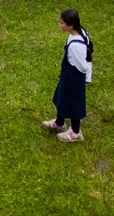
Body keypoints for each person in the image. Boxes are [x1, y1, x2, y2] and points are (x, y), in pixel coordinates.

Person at [41, 8, 92, 143]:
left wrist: (87, 76)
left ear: (71, 25)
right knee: (61, 98)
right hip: (68, 75)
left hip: (74, 78)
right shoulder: (80, 32)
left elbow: (83, 65)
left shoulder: (76, 46)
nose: (60, 25)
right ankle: (59, 123)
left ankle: (76, 132)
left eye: (62, 23)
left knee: (74, 103)